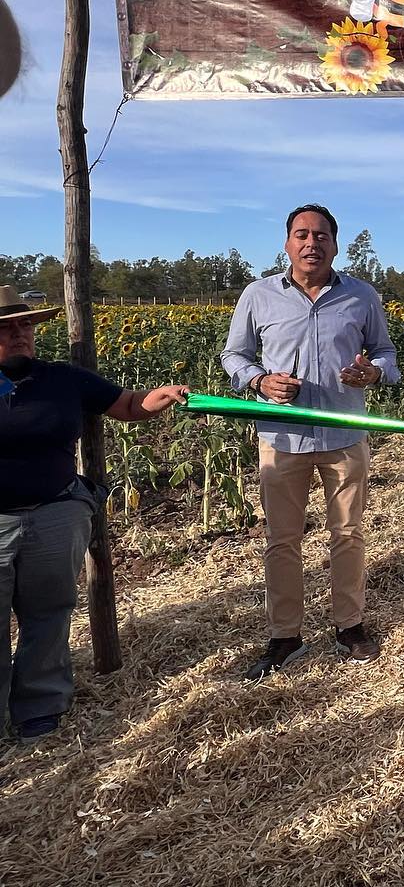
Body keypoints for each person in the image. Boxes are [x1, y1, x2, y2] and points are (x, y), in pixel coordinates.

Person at [0, 285, 188, 743]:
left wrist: (160, 395)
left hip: (54, 513)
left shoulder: (61, 378)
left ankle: (39, 707)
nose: (20, 334)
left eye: (25, 324)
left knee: (49, 611)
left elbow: (125, 404)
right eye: (7, 328)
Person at [221, 205, 400, 679]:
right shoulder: (259, 296)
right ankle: (285, 636)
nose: (312, 243)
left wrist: (373, 373)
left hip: (344, 434)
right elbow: (234, 355)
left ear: (335, 245)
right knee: (282, 540)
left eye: (321, 235)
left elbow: (386, 352)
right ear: (287, 244)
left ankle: (350, 626)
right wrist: (259, 382)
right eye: (302, 234)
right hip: (282, 437)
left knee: (347, 533)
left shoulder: (361, 296)